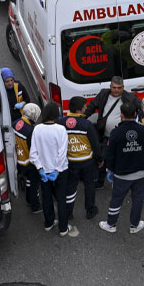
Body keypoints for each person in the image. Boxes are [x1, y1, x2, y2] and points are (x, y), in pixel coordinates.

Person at [100, 101, 144, 234]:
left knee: (117, 198)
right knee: (138, 198)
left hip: (122, 174)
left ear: (121, 115)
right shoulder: (142, 129)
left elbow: (110, 154)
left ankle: (111, 224)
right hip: (141, 172)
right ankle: (134, 225)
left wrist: (110, 170)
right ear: (135, 114)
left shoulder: (116, 132)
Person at [30, 102, 77, 237]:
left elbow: (33, 154)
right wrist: (56, 170)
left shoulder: (37, 129)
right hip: (60, 171)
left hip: (44, 171)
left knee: (46, 197)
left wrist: (40, 169)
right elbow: (62, 152)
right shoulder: (61, 129)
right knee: (61, 198)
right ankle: (63, 228)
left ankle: (48, 223)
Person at [62, 96, 101, 221]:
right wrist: (99, 159)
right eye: (84, 106)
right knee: (89, 185)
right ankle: (90, 210)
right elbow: (95, 144)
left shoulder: (61, 122)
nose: (86, 107)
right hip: (87, 162)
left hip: (70, 161)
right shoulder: (86, 124)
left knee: (71, 187)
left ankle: (68, 212)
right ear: (79, 109)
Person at [83, 75, 140, 144]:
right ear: (110, 86)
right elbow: (91, 107)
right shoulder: (103, 94)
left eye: (119, 88)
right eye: (114, 87)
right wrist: (81, 119)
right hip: (106, 137)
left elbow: (142, 108)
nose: (116, 90)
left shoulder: (131, 97)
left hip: (124, 137)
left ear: (123, 87)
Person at [13, 102, 42, 214]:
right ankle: (35, 206)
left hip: (18, 160)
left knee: (29, 182)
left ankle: (28, 199)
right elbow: (34, 150)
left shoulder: (16, 123)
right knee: (34, 184)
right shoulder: (31, 130)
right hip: (29, 162)